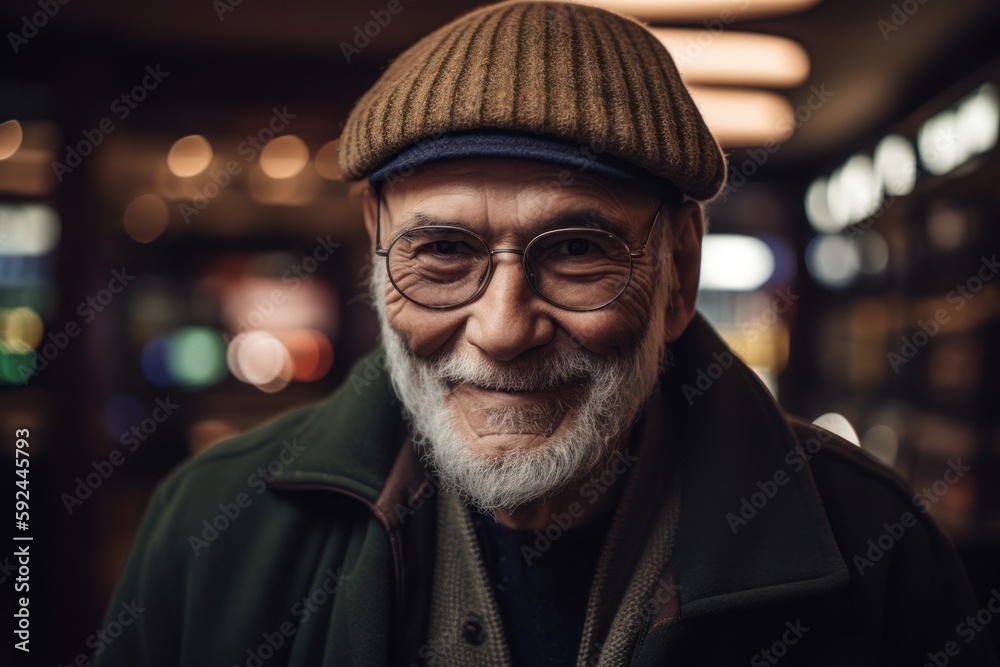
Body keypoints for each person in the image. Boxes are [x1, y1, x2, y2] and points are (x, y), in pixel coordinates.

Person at [97, 1, 998, 665]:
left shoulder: (875, 548)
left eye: (576, 251)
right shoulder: (208, 531)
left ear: (678, 270)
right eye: (442, 252)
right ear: (377, 259)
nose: (501, 327)